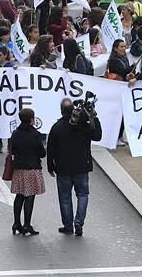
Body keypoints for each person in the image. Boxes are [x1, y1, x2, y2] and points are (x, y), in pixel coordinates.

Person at [47, 97, 102, 237]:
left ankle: (68, 225)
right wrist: (93, 116)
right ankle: (79, 221)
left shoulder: (57, 127)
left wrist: (50, 165)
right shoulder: (84, 125)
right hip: (82, 167)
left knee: (65, 197)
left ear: (61, 111)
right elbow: (97, 136)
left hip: (63, 168)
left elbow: (50, 148)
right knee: (83, 195)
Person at [9, 107, 45, 236]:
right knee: (30, 196)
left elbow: (12, 150)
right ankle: (27, 224)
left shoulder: (15, 133)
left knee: (19, 196)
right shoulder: (34, 134)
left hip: (18, 169)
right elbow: (42, 153)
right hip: (31, 168)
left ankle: (16, 223)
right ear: (31, 119)